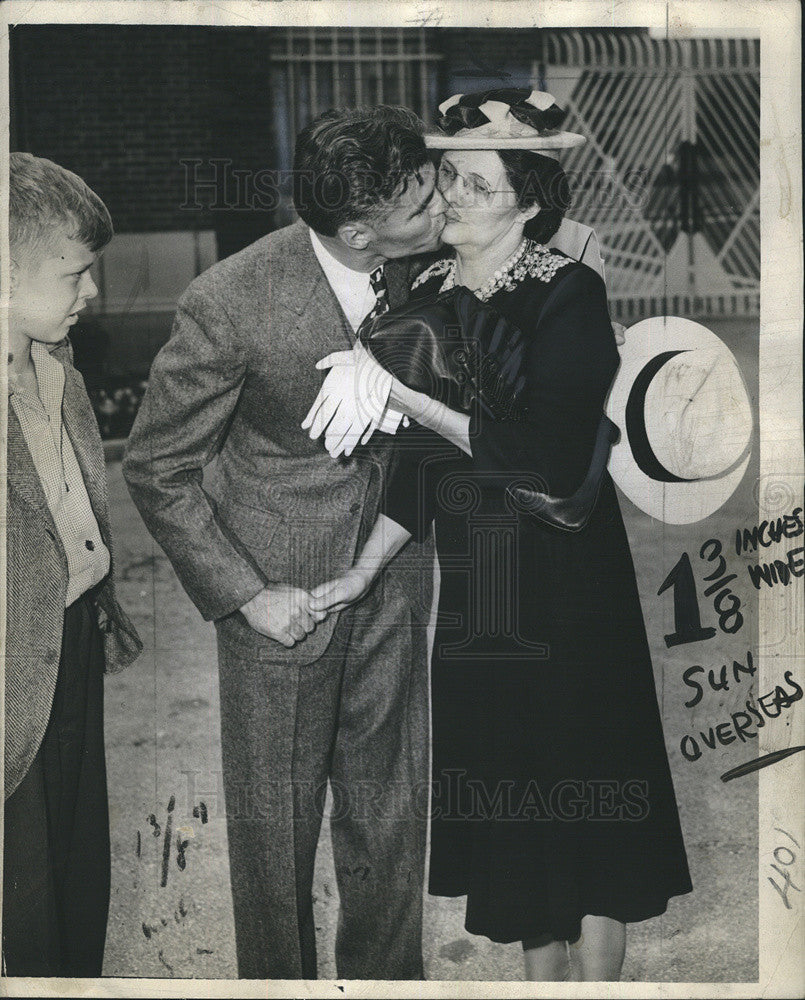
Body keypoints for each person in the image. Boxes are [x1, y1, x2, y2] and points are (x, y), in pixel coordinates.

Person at [309, 89, 693, 982]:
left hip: (566, 583)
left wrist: (410, 398)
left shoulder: (569, 291)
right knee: (517, 813)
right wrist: (363, 571)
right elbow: (418, 468)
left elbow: (552, 462)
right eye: (444, 176)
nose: (445, 195)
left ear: (527, 201)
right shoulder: (428, 290)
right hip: (481, 587)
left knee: (585, 801)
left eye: (472, 184)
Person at [122, 106, 446, 980]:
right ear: (358, 231)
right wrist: (242, 593)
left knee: (389, 813)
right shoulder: (230, 300)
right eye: (419, 204)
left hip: (394, 578)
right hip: (279, 600)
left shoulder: (436, 272)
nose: (441, 210)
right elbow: (156, 465)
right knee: (275, 834)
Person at [3, 152, 142, 975]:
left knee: (77, 866)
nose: (92, 292)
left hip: (72, 640)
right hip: (11, 659)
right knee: (21, 891)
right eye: (75, 272)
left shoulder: (59, 374)